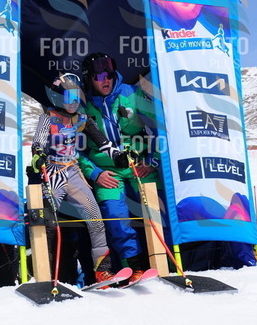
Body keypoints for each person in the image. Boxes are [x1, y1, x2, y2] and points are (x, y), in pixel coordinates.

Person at [31, 72, 131, 284]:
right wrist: (39, 155)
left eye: (77, 97)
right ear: (58, 97)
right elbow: (38, 143)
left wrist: (117, 155)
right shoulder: (48, 117)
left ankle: (102, 271)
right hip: (53, 171)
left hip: (73, 172)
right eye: (69, 97)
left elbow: (102, 142)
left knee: (95, 218)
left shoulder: (82, 118)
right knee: (48, 224)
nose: (74, 102)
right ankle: (45, 276)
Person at [79, 53, 161, 281]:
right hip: (108, 172)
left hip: (139, 166)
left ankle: (165, 263)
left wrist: (151, 160)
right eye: (98, 77)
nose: (105, 80)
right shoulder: (82, 105)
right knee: (115, 217)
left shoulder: (132, 94)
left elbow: (161, 125)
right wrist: (95, 173)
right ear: (89, 80)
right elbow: (74, 149)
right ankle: (135, 268)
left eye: (109, 75)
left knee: (158, 212)